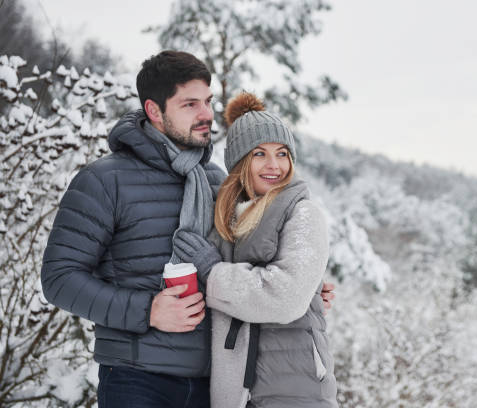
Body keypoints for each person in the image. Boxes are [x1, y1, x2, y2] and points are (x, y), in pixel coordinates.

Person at [40, 50, 334, 408]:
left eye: (208, 102)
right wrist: (147, 310)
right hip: (137, 379)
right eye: (190, 104)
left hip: (213, 386)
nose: (207, 114)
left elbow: (248, 266)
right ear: (154, 110)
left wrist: (306, 291)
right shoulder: (104, 180)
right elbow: (59, 278)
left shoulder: (218, 184)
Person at [174, 92, 338, 408]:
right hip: (237, 393)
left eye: (282, 154)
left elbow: (286, 297)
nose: (274, 165)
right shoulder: (225, 219)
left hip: (294, 389)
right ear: (239, 162)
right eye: (259, 154)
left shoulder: (303, 213)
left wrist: (213, 272)